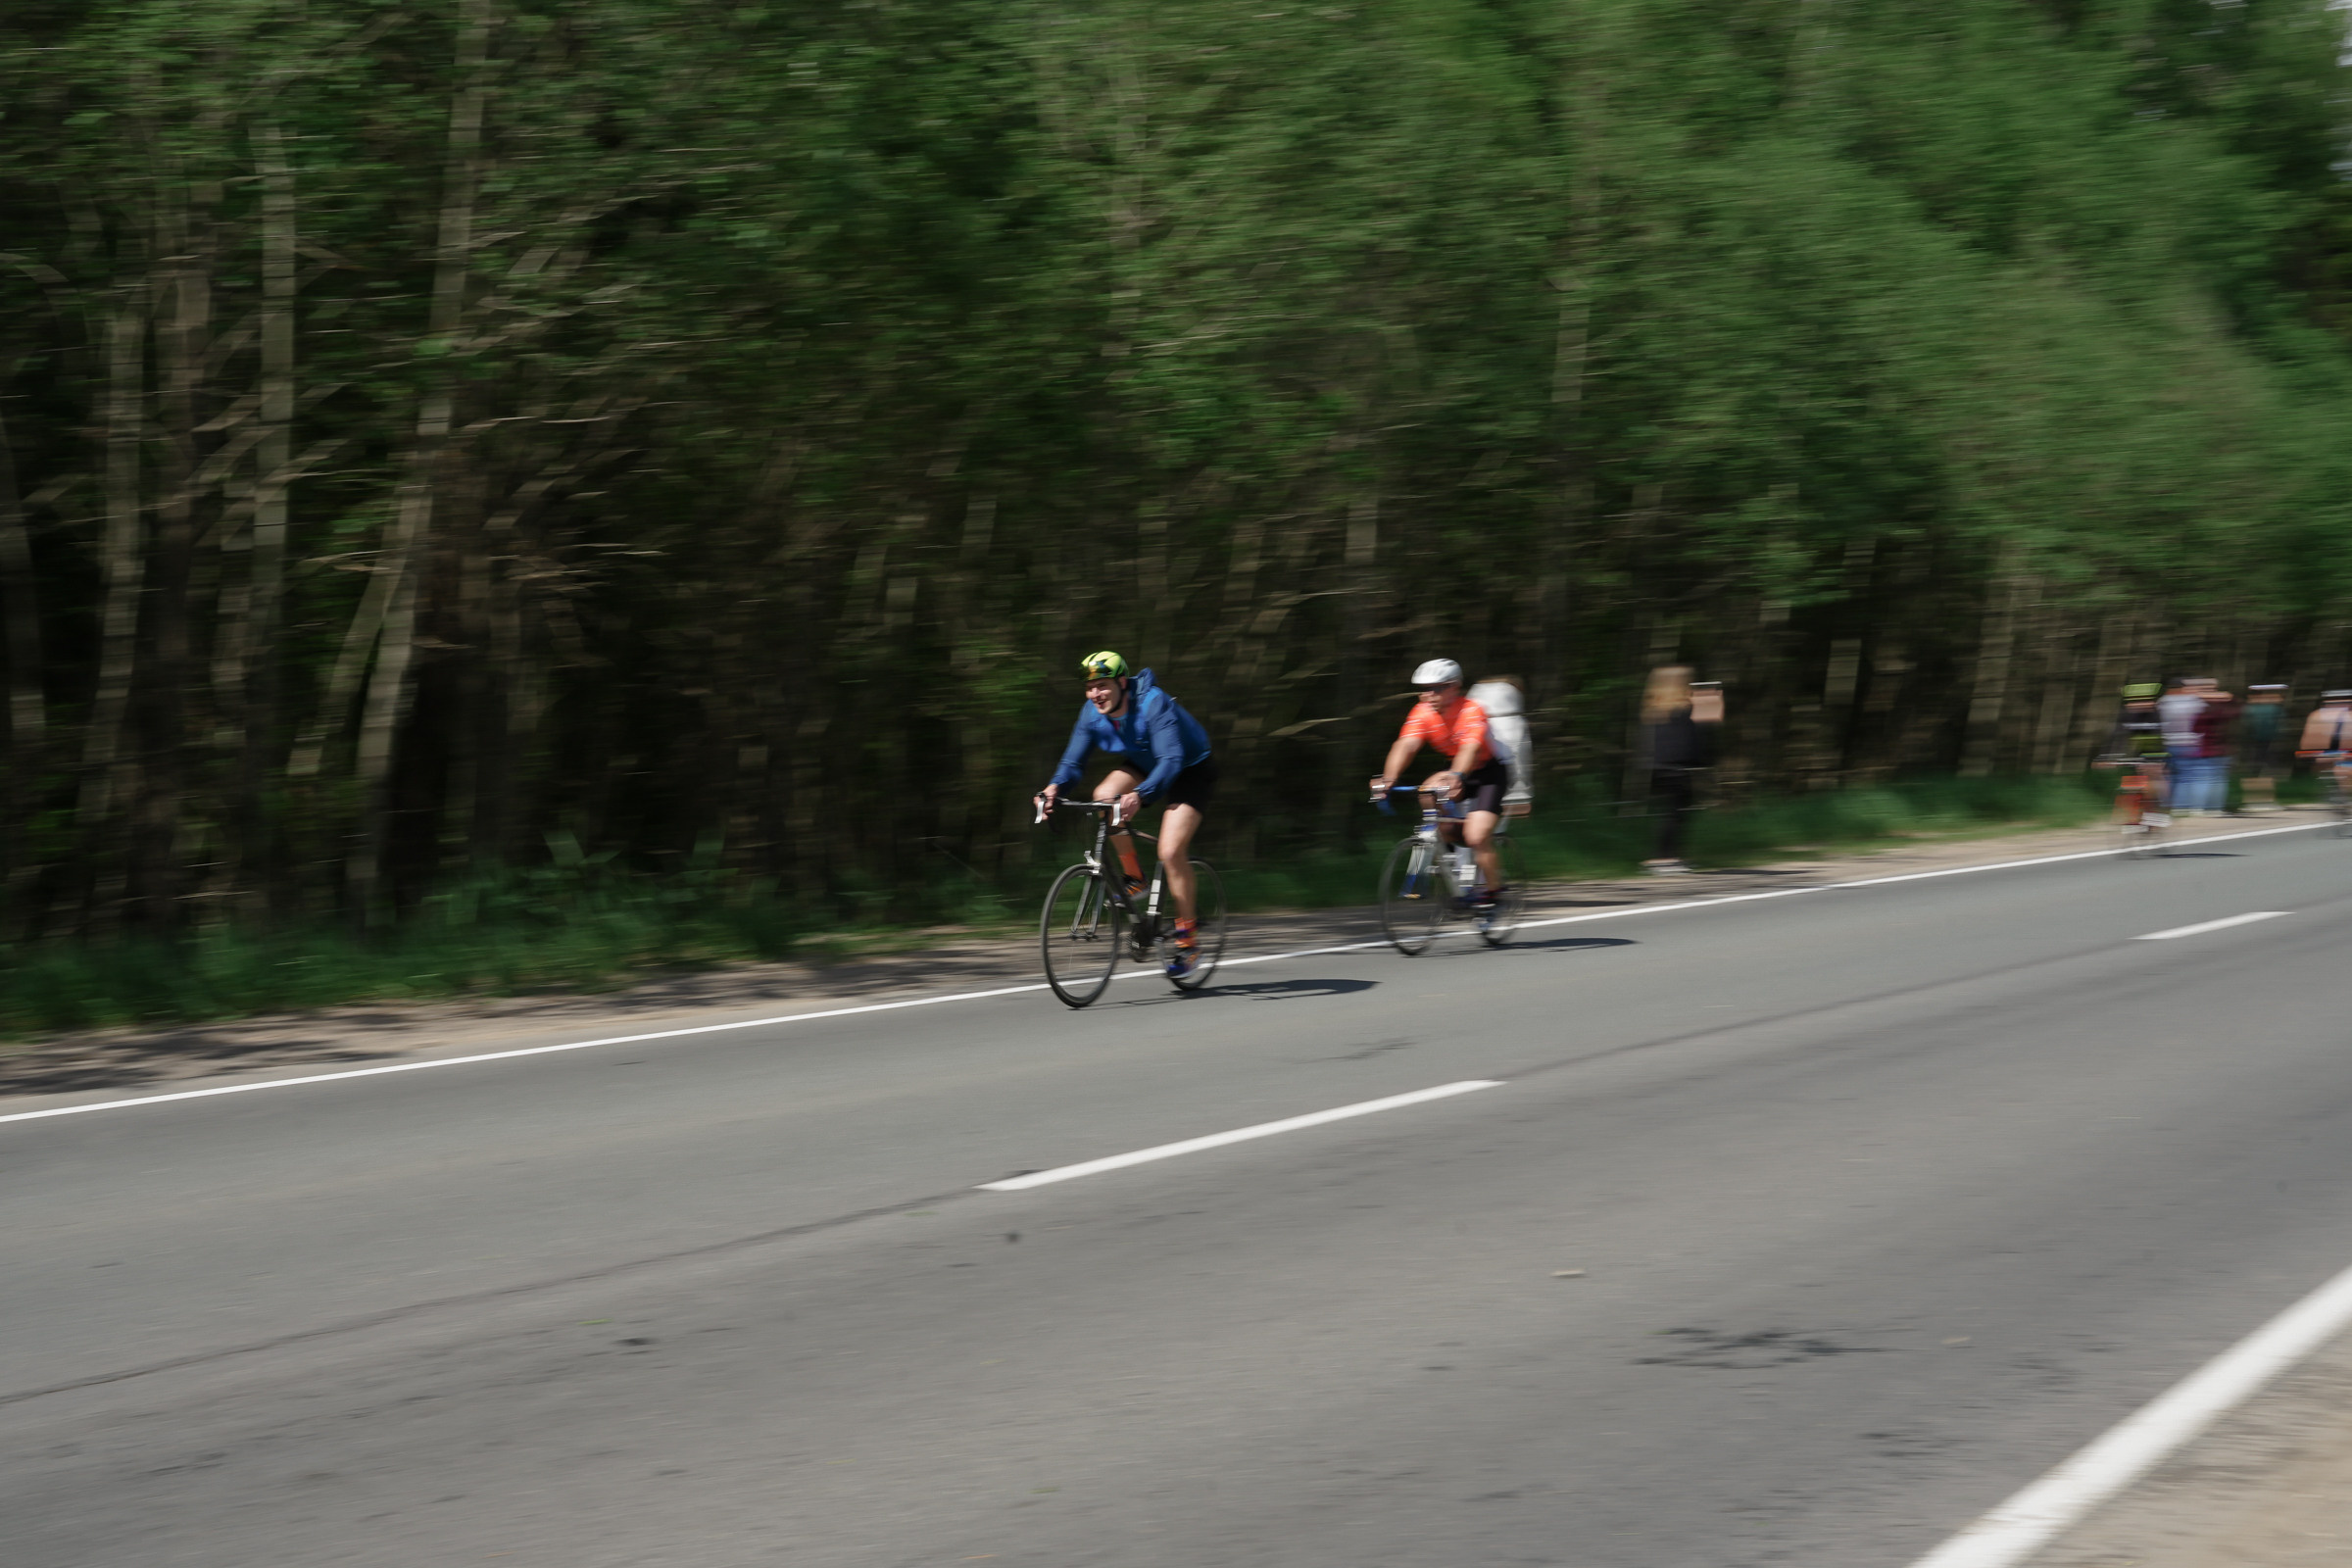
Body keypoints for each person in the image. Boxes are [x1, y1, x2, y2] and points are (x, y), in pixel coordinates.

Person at [1036, 652, 1217, 978]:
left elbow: (1172, 761)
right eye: (1090, 688)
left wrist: (1141, 795)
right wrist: (1053, 789)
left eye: (1102, 686)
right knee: (1103, 797)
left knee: (1170, 851)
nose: (1095, 695)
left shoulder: (1152, 703)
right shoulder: (1091, 713)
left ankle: (1188, 944)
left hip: (1188, 768)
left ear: (1122, 683)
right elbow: (1072, 764)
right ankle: (1136, 879)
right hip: (1146, 761)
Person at [1369, 659, 1511, 906]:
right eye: (1424, 689)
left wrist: (1456, 776)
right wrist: (1389, 778)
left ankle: (1493, 890)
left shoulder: (1471, 710)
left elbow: (1470, 747)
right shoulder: (1421, 712)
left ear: (1454, 687)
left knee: (1477, 837)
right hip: (1456, 767)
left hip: (1488, 773)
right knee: (1427, 792)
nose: (1428, 695)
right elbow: (1406, 745)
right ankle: (1450, 857)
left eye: (1436, 688)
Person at [1640, 665, 1722, 875]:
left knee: (1673, 813)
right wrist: (1710, 710)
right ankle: (1663, 858)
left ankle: (1668, 856)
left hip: (1659, 768)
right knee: (1675, 814)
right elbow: (1696, 738)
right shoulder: (1684, 708)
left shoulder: (1655, 707)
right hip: (1675, 768)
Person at [2297, 691, 2352, 799]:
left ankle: (2336, 792)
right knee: (2342, 764)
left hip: (2324, 755)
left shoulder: (2316, 715)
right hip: (2334, 755)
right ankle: (2338, 793)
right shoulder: (2318, 716)